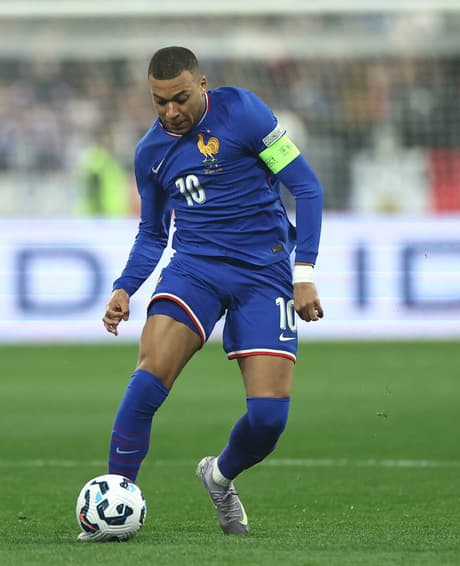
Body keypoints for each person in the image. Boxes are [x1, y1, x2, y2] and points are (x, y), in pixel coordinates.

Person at [91, 46, 324, 538]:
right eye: (159, 102)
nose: (171, 112)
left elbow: (305, 187)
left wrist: (303, 272)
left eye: (179, 98)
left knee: (267, 420)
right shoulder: (150, 153)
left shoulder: (244, 111)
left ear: (202, 85)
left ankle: (219, 477)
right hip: (194, 270)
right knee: (150, 373)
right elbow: (153, 233)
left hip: (265, 274)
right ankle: (113, 499)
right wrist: (124, 287)